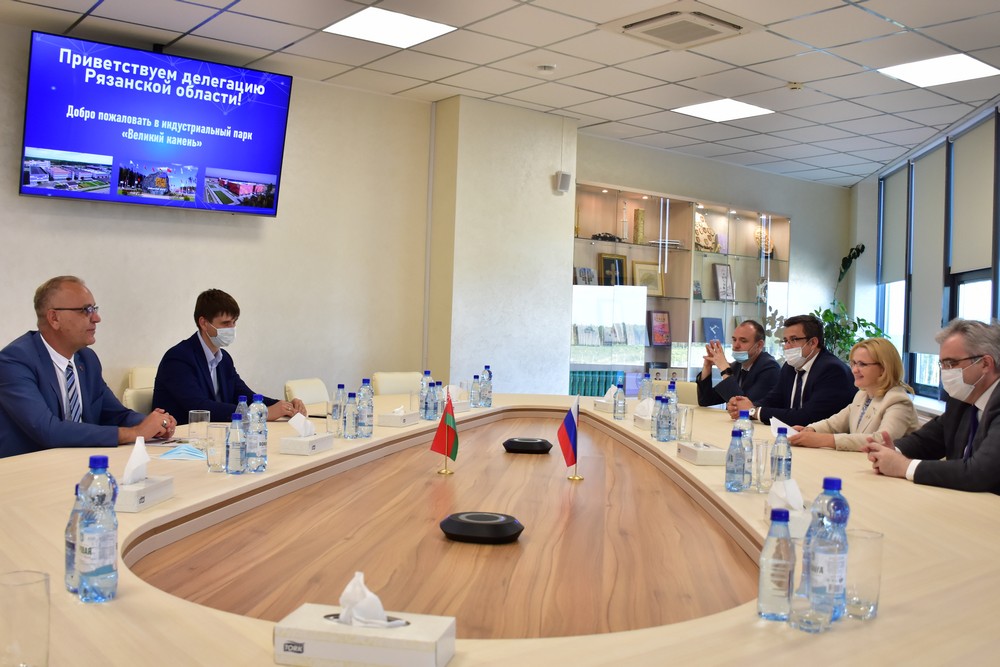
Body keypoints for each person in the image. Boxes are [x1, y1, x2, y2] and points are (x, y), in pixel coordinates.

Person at [0, 276, 176, 458]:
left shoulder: (87, 359)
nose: (97, 318)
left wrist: (155, 424)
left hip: (81, 461)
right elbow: (48, 430)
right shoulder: (14, 361)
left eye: (95, 309)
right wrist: (134, 433)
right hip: (29, 467)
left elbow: (116, 415)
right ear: (54, 318)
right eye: (86, 310)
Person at [863, 319, 1000, 493]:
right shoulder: (962, 399)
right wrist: (892, 451)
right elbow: (929, 440)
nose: (945, 372)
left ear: (985, 363)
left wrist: (904, 466)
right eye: (942, 364)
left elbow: (980, 473)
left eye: (951, 364)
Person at [153, 289, 305, 425]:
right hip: (182, 440)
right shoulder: (178, 358)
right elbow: (199, 407)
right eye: (225, 323)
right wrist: (260, 414)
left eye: (234, 322)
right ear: (204, 323)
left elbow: (244, 395)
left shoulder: (224, 358)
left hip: (216, 434)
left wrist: (284, 406)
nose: (232, 328)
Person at [789, 337, 918, 451]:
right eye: (854, 363)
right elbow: (834, 423)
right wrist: (810, 429)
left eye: (862, 364)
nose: (854, 370)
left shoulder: (898, 401)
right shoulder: (862, 395)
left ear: (883, 369)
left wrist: (824, 440)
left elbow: (882, 440)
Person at [727, 314, 855, 425]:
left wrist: (754, 411)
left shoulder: (832, 370)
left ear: (813, 342)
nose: (787, 347)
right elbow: (773, 400)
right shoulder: (790, 366)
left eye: (793, 340)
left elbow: (808, 417)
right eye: (785, 341)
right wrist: (743, 406)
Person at [696, 319, 779, 407]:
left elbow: (743, 408)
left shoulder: (770, 369)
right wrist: (707, 366)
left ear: (759, 345)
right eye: (734, 340)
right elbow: (705, 400)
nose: (736, 345)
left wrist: (725, 370)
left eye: (743, 341)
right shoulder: (737, 366)